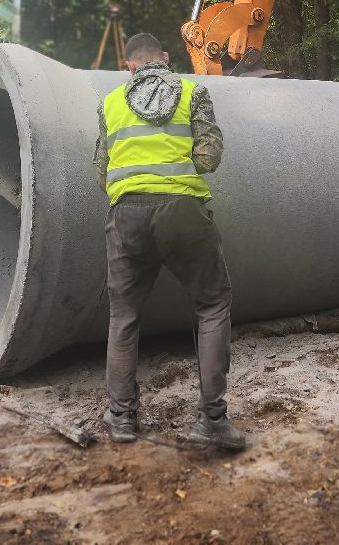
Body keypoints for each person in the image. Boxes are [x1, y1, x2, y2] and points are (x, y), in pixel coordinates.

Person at [93, 32, 244, 451]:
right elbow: (210, 157)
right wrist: (179, 169)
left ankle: (121, 418)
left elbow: (100, 170)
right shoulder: (192, 92)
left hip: (128, 216)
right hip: (182, 212)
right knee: (212, 304)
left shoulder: (110, 103)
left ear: (129, 66)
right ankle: (211, 419)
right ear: (164, 58)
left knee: (123, 315)